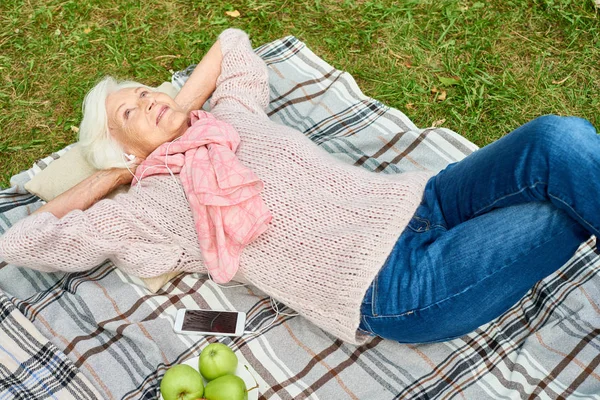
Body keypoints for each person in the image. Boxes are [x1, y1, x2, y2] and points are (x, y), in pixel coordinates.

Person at [0, 28, 598, 345]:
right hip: (394, 286)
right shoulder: (150, 206)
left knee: (559, 138)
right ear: (125, 150)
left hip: (423, 200)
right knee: (555, 214)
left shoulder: (232, 115)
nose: (147, 99)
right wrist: (112, 177)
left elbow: (233, 43)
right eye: (129, 113)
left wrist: (175, 112)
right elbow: (26, 239)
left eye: (143, 90)